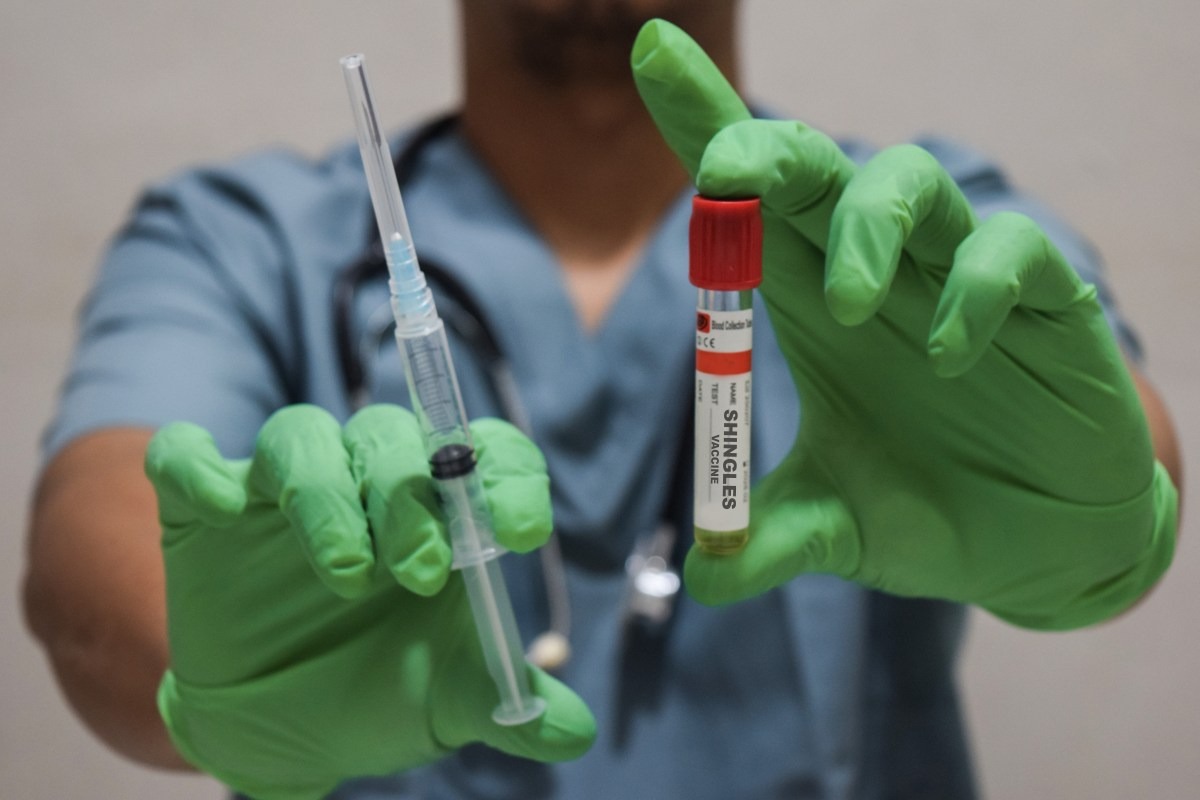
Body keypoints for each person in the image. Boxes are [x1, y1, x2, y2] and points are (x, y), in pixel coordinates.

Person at [23, 2, 1182, 798]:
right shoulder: (240, 241)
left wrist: (1105, 516)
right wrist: (216, 651)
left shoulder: (902, 229)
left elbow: (1129, 435)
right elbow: (96, 545)